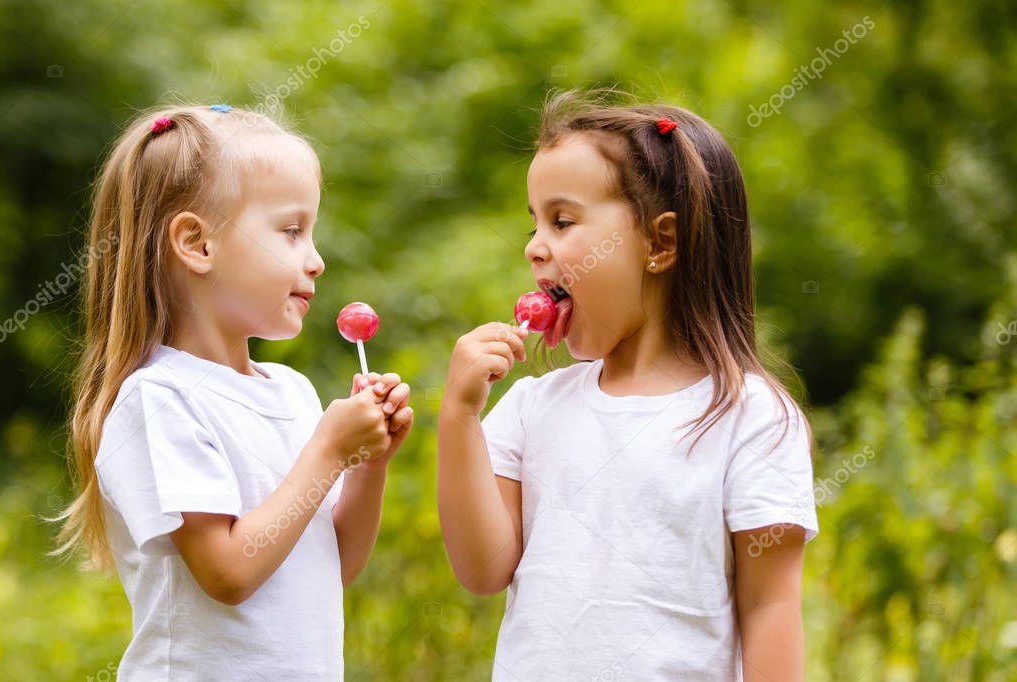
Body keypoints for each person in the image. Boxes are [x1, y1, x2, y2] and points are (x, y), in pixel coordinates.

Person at [438, 91, 818, 681]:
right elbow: (483, 570)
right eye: (534, 222)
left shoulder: (750, 418)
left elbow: (769, 606)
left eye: (562, 221)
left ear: (660, 243)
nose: (534, 246)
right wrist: (459, 417)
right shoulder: (532, 408)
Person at [52, 104, 413, 680]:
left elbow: (335, 565)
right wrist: (328, 454)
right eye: (291, 231)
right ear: (197, 244)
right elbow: (227, 574)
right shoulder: (159, 399)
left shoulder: (292, 393)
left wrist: (367, 464)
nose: (316, 260)